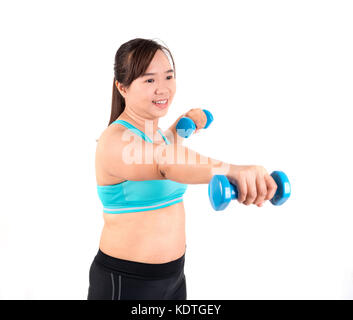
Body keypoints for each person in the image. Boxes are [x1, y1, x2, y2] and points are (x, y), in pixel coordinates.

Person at [87, 38, 278, 300]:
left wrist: (181, 127)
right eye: (149, 80)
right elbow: (164, 162)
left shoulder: (155, 136)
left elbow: (164, 149)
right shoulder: (114, 141)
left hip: (174, 278)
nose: (162, 89)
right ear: (122, 87)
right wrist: (231, 170)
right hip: (127, 283)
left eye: (168, 77)